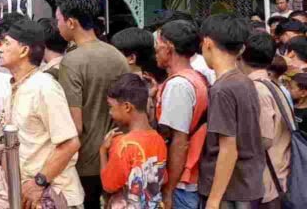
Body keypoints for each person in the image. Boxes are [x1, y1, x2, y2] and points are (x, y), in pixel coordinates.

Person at [55, 0, 131, 209]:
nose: (57, 24)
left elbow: (74, 125)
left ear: (71, 23)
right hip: (115, 156)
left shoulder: (72, 62)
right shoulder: (117, 56)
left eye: (58, 19)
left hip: (85, 163)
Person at [0, 19, 84, 208]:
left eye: (6, 43)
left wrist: (39, 182)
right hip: (30, 195)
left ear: (24, 50)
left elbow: (70, 142)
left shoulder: (44, 87)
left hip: (53, 195)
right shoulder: (13, 88)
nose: (0, 49)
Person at [199, 14, 264, 208]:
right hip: (247, 183)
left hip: (229, 191)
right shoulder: (245, 81)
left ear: (208, 43)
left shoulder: (222, 90)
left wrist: (213, 199)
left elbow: (228, 149)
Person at [153, 20, 209, 209]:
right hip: (193, 175)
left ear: (169, 48)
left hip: (182, 181)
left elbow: (179, 141)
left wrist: (168, 189)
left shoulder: (178, 85)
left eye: (158, 45)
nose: (156, 51)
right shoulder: (197, 77)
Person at [240, 32, 293, 209]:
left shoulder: (257, 90)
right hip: (278, 175)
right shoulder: (274, 86)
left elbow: (264, 139)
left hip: (267, 182)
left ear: (242, 53)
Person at [100, 74, 168, 209]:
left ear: (127, 107)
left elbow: (108, 185)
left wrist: (102, 151)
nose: (110, 113)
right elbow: (163, 178)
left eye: (111, 107)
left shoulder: (124, 145)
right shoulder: (158, 139)